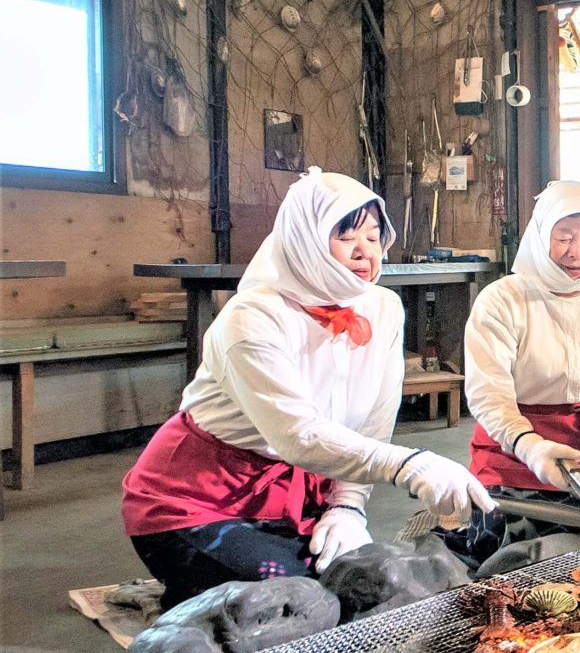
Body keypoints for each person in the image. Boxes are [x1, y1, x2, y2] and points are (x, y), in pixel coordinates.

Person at [123, 168, 495, 607]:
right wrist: (409, 465)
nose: (364, 251)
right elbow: (296, 434)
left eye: (375, 238)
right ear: (306, 239)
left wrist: (347, 506)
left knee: (371, 580)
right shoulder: (253, 318)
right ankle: (193, 590)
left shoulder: (382, 308)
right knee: (298, 597)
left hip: (302, 491)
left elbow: (375, 416)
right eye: (346, 236)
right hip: (199, 496)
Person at [458, 181, 580, 567]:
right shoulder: (503, 300)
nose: (578, 252)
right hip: (510, 450)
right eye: (564, 237)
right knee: (508, 559)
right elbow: (488, 392)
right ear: (541, 235)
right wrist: (529, 446)